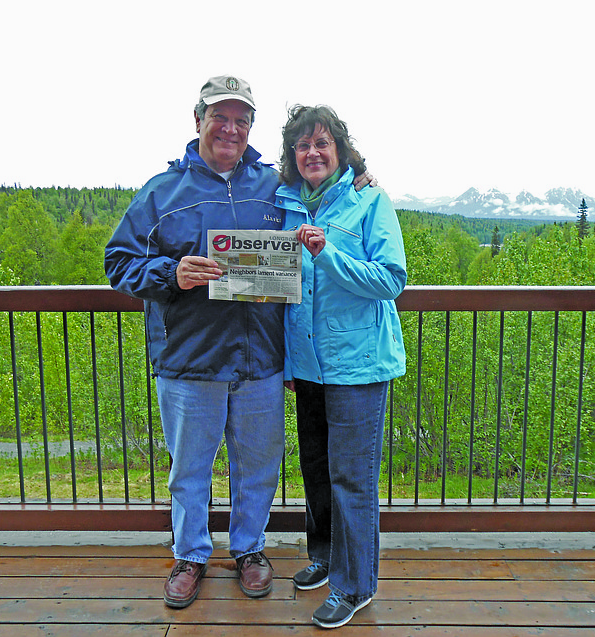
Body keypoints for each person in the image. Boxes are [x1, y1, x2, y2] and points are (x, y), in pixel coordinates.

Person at [104, 77, 373, 610]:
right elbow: (118, 263)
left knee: (258, 466)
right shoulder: (162, 191)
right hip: (188, 360)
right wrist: (170, 271)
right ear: (198, 120)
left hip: (262, 360)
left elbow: (324, 190)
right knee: (190, 469)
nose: (230, 128)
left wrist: (359, 175)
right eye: (219, 116)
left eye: (241, 119)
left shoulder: (276, 187)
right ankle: (190, 554)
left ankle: (249, 549)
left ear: (250, 127)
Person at [275, 105, 407, 629]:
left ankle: (356, 587)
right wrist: (287, 358)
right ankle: (326, 557)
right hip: (307, 365)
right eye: (302, 145)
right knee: (316, 471)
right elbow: (280, 289)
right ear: (292, 155)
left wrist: (328, 253)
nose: (312, 153)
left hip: (358, 367)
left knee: (352, 479)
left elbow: (390, 281)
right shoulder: (284, 204)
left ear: (341, 151)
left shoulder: (370, 201)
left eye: (322, 143)